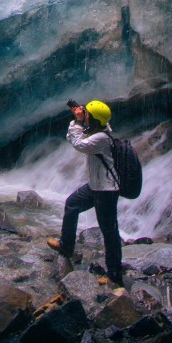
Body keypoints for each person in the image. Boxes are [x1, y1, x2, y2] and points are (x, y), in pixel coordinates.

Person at [46, 98, 123, 285]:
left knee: (109, 231)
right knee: (72, 204)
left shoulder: (101, 138)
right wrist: (83, 119)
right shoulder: (100, 129)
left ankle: (115, 276)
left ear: (94, 119)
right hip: (96, 186)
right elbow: (76, 137)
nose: (84, 114)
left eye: (87, 113)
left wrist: (79, 121)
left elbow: (78, 144)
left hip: (106, 190)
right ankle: (66, 246)